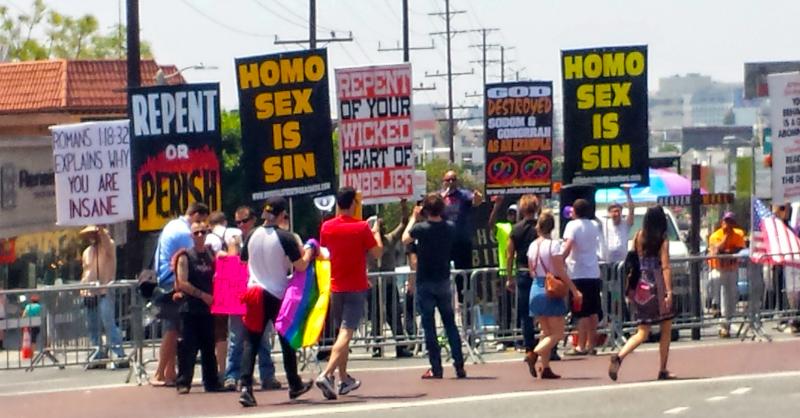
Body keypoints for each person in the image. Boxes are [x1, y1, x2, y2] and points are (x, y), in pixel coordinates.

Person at [238, 197, 316, 407]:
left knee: (251, 341)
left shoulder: (252, 234)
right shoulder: (286, 237)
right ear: (282, 215)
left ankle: (245, 387)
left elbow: (243, 260)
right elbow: (300, 266)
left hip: (254, 291)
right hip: (276, 293)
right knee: (286, 339)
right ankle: (294, 383)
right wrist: (309, 252)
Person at [316, 187, 383, 400]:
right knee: (347, 332)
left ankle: (344, 378)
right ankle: (327, 374)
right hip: (355, 285)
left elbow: (325, 250)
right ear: (354, 203)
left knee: (341, 333)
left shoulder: (326, 226)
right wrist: (375, 232)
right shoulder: (362, 227)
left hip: (335, 285)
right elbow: (377, 252)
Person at [402, 193, 467, 379]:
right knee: (450, 324)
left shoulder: (422, 228)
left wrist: (414, 218)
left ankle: (436, 367)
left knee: (429, 326)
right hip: (443, 280)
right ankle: (459, 363)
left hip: (425, 280)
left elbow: (405, 238)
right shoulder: (450, 228)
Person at [609, 206, 675, 381]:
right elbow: (666, 266)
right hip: (657, 284)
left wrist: (629, 287)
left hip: (641, 285)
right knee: (666, 326)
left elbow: (633, 261)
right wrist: (669, 291)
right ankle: (662, 368)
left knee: (642, 331)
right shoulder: (662, 240)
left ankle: (620, 356)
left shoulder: (639, 236)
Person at [151, 202, 209, 387]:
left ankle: (168, 372)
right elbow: (193, 255)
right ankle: (161, 372)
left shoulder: (172, 225)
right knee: (173, 328)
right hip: (172, 282)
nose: (200, 229)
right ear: (195, 215)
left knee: (173, 327)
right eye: (200, 221)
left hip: (165, 279)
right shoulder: (184, 233)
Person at [224, 205, 280, 391]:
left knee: (263, 338)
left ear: (253, 220)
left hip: (257, 293)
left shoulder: (260, 238)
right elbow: (232, 264)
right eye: (238, 222)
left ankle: (267, 376)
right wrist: (232, 248)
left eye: (244, 221)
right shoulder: (235, 241)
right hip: (240, 295)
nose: (241, 225)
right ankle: (232, 375)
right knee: (236, 338)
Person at [526, 211, 582, 379]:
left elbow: (531, 271)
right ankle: (534, 354)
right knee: (557, 333)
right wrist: (574, 289)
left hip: (535, 287)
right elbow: (559, 270)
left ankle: (546, 367)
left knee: (545, 330)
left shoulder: (532, 245)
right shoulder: (554, 245)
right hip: (550, 288)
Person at [174, 221, 221, 394]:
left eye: (203, 232)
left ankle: (212, 382)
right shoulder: (185, 256)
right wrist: (203, 295)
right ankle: (184, 382)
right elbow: (182, 282)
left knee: (209, 347)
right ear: (191, 236)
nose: (200, 235)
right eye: (196, 233)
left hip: (208, 309)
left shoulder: (210, 254)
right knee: (188, 347)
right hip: (190, 308)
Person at [367, 199, 413, 358]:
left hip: (388, 283)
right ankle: (377, 346)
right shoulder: (366, 244)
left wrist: (404, 206)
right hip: (373, 284)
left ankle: (400, 345)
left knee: (394, 314)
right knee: (375, 317)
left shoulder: (390, 238)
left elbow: (404, 224)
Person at [561, 199, 604, 355]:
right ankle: (592, 345)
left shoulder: (572, 226)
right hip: (593, 272)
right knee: (593, 311)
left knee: (581, 312)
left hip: (578, 272)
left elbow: (569, 244)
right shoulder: (594, 225)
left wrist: (560, 260)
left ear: (576, 211)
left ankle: (581, 345)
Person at [79, 225, 126, 365]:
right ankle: (98, 353)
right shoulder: (87, 252)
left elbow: (106, 240)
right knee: (92, 325)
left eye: (94, 233)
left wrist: (100, 228)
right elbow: (85, 271)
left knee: (108, 322)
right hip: (89, 293)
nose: (91, 236)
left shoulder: (108, 246)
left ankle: (119, 354)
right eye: (89, 234)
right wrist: (82, 289)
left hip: (105, 290)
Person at [204, 211, 241, 379]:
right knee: (237, 329)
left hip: (217, 285)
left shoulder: (209, 239)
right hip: (236, 283)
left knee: (220, 330)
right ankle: (237, 370)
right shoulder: (236, 233)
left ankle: (222, 370)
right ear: (224, 221)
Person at [441, 170, 483, 303]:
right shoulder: (440, 197)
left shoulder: (464, 195)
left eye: (454, 179)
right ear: (444, 182)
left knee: (465, 273)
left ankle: (465, 298)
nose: (451, 182)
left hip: (462, 241)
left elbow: (476, 201)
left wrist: (478, 198)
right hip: (445, 242)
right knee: (443, 273)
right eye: (448, 180)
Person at [506, 195, 541, 357]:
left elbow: (510, 254)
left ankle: (529, 348)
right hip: (540, 272)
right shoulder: (540, 228)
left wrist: (509, 276)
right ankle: (548, 347)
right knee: (544, 311)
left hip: (522, 271)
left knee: (526, 313)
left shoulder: (516, 229)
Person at [707, 211, 745, 338]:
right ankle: (715, 308)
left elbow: (739, 250)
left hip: (732, 269)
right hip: (718, 269)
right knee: (718, 287)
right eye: (726, 221)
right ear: (722, 222)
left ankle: (727, 324)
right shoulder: (715, 236)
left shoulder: (739, 234)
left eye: (730, 222)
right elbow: (716, 251)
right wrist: (726, 239)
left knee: (732, 298)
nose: (727, 224)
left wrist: (728, 251)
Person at [488, 196, 517, 350]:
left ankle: (518, 336)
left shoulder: (522, 228)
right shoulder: (503, 227)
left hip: (520, 271)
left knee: (518, 306)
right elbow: (491, 224)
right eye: (511, 213)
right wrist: (496, 207)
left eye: (515, 213)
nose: (513, 216)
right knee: (504, 305)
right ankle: (504, 336)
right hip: (504, 271)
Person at [603, 187, 635, 264]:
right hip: (607, 262)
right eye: (614, 212)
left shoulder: (625, 224)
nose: (616, 214)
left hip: (622, 262)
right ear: (609, 213)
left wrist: (627, 193)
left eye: (618, 211)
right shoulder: (604, 223)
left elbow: (631, 210)